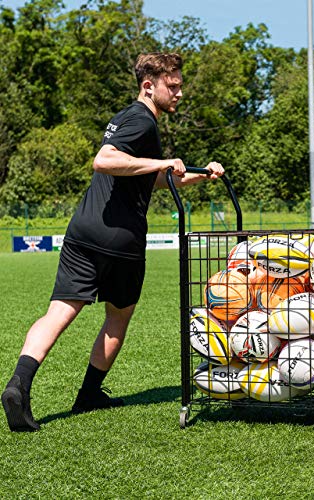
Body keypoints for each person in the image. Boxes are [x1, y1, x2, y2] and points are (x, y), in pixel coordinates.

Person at [1, 52, 224, 432]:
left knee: (59, 312)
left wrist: (198, 175)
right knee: (117, 317)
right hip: (120, 237)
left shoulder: (125, 118)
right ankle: (88, 393)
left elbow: (145, 177)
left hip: (82, 229)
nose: (180, 93)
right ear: (148, 85)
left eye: (181, 85)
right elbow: (104, 160)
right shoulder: (141, 120)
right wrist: (162, 162)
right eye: (173, 85)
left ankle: (18, 384)